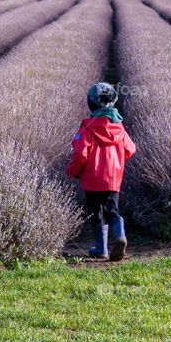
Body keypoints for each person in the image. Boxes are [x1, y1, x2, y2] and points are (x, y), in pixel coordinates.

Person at [66, 82, 136, 261]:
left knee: (96, 212)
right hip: (113, 179)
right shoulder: (119, 128)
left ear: (92, 103)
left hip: (92, 180)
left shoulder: (88, 128)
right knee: (112, 209)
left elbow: (81, 154)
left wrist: (73, 172)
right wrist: (116, 163)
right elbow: (130, 149)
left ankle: (101, 248)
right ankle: (120, 236)